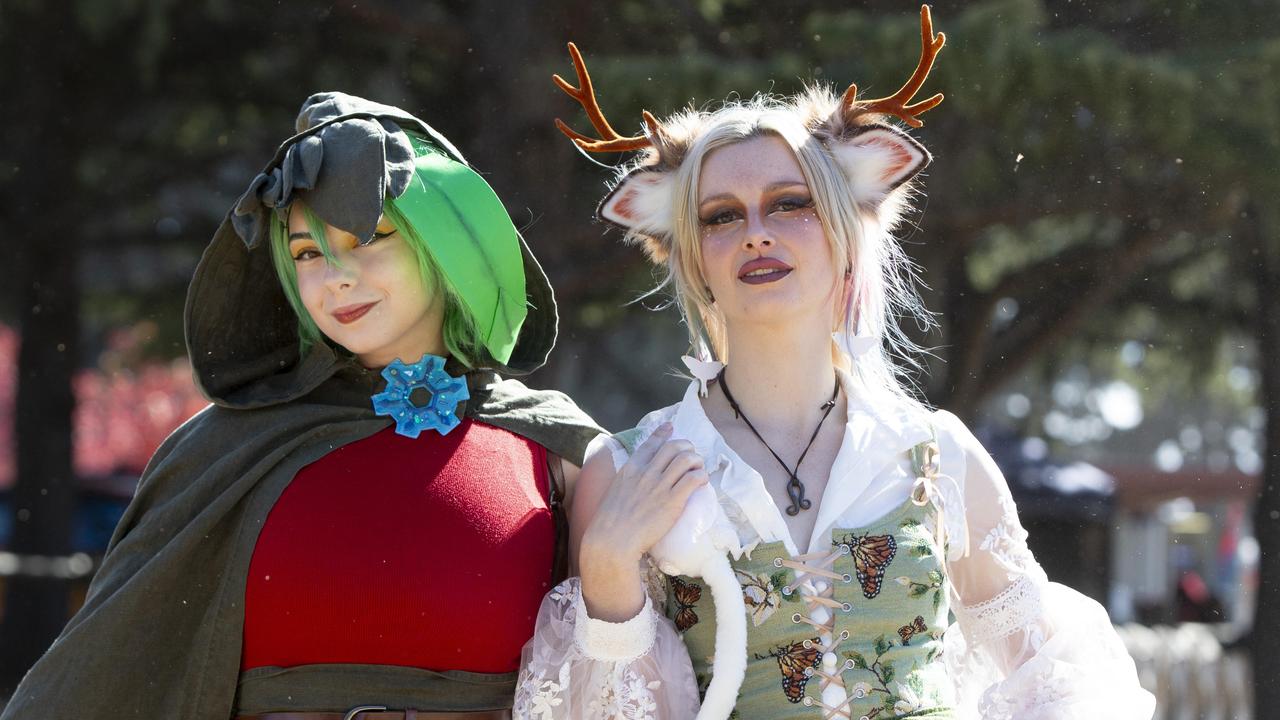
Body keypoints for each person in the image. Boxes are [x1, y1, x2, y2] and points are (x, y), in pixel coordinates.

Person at [514, 8, 1156, 719]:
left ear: (848, 237)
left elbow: (1054, 680)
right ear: (691, 258)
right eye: (722, 215)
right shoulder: (629, 470)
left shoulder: (936, 455)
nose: (756, 233)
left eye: (790, 204)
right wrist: (607, 575)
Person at [1, 92, 603, 720]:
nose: (335, 276)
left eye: (365, 237)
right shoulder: (219, 451)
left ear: (446, 242)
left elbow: (624, 681)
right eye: (307, 253)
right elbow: (107, 673)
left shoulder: (555, 451)